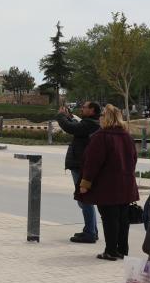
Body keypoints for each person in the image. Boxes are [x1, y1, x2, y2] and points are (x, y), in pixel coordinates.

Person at [75, 104, 137, 260]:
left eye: (102, 116)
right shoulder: (127, 136)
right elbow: (133, 159)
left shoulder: (101, 137)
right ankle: (122, 249)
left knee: (109, 218)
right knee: (123, 218)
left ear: (106, 118)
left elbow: (92, 163)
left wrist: (85, 183)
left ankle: (110, 250)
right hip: (125, 184)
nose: (100, 119)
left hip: (107, 186)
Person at [55, 101, 101, 244]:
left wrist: (61, 116)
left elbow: (70, 128)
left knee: (84, 199)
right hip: (79, 165)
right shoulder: (89, 123)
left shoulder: (91, 123)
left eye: (85, 107)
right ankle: (91, 229)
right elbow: (75, 126)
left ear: (92, 110)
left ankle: (90, 232)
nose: (82, 109)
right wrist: (68, 117)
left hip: (81, 166)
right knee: (84, 200)